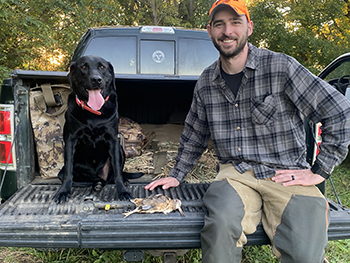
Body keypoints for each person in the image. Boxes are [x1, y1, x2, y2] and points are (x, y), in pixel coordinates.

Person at [145, 0, 350, 262]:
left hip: (286, 174)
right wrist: (176, 175)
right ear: (210, 31)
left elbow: (340, 111)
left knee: (304, 251)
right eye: (219, 24)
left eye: (235, 22)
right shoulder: (206, 82)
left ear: (249, 27)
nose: (227, 30)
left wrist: (319, 171)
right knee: (220, 226)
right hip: (235, 175)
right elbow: (194, 134)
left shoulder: (281, 67)